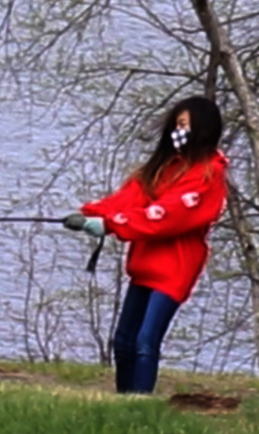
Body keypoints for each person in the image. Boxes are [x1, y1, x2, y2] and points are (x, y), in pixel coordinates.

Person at [63, 95, 227, 395]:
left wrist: (112, 224)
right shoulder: (162, 168)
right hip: (145, 263)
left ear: (203, 129)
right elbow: (131, 199)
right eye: (177, 124)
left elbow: (167, 215)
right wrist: (92, 213)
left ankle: (139, 404)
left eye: (184, 125)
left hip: (176, 268)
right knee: (124, 340)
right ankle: (123, 400)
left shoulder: (208, 176)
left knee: (145, 341)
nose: (178, 131)